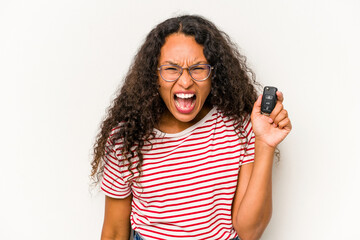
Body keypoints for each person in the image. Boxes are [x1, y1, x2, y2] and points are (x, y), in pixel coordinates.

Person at [91, 15, 292, 240]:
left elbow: (249, 231)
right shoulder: (127, 138)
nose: (185, 82)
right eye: (171, 69)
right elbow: (115, 231)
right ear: (153, 75)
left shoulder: (238, 126)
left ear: (214, 74)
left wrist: (264, 143)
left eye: (197, 68)